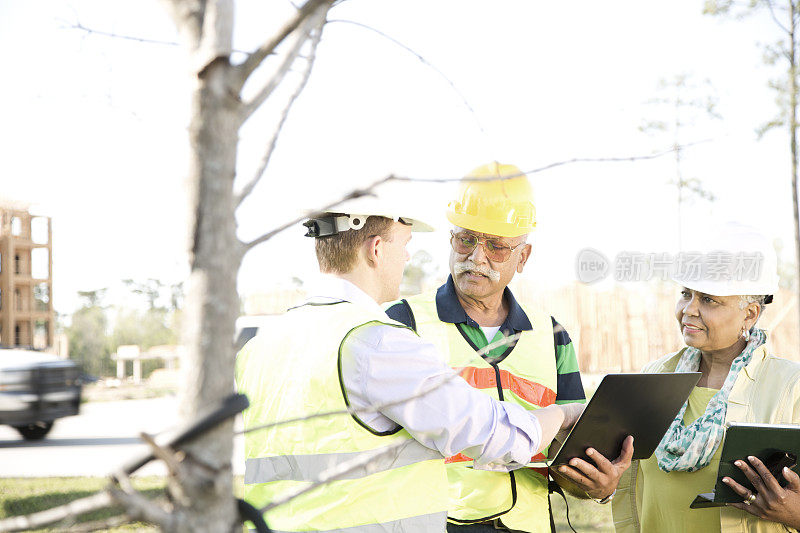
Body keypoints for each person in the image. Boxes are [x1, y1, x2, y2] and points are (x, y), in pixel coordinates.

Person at [235, 197, 583, 533]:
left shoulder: (260, 345)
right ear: (376, 249)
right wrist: (565, 415)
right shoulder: (377, 341)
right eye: (404, 243)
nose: (407, 256)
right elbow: (495, 435)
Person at [387, 162, 633, 533]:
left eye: (497, 247)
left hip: (528, 524)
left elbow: (565, 455)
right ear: (450, 240)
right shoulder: (404, 323)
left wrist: (596, 485)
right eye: (466, 239)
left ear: (524, 256)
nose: (477, 257)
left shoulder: (551, 336)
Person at [612, 222, 800, 533]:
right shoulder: (653, 378)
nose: (689, 310)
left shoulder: (789, 388)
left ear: (750, 314)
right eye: (686, 294)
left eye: (708, 299)